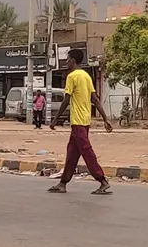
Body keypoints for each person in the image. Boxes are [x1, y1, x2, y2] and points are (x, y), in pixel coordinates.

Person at [48, 48, 113, 195]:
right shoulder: (86, 76)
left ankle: (102, 180)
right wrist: (105, 119)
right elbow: (94, 99)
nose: (66, 62)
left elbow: (66, 100)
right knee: (72, 152)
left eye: (67, 59)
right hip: (85, 120)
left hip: (77, 121)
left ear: (72, 61)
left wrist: (55, 120)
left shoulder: (72, 77)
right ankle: (63, 183)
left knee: (87, 152)